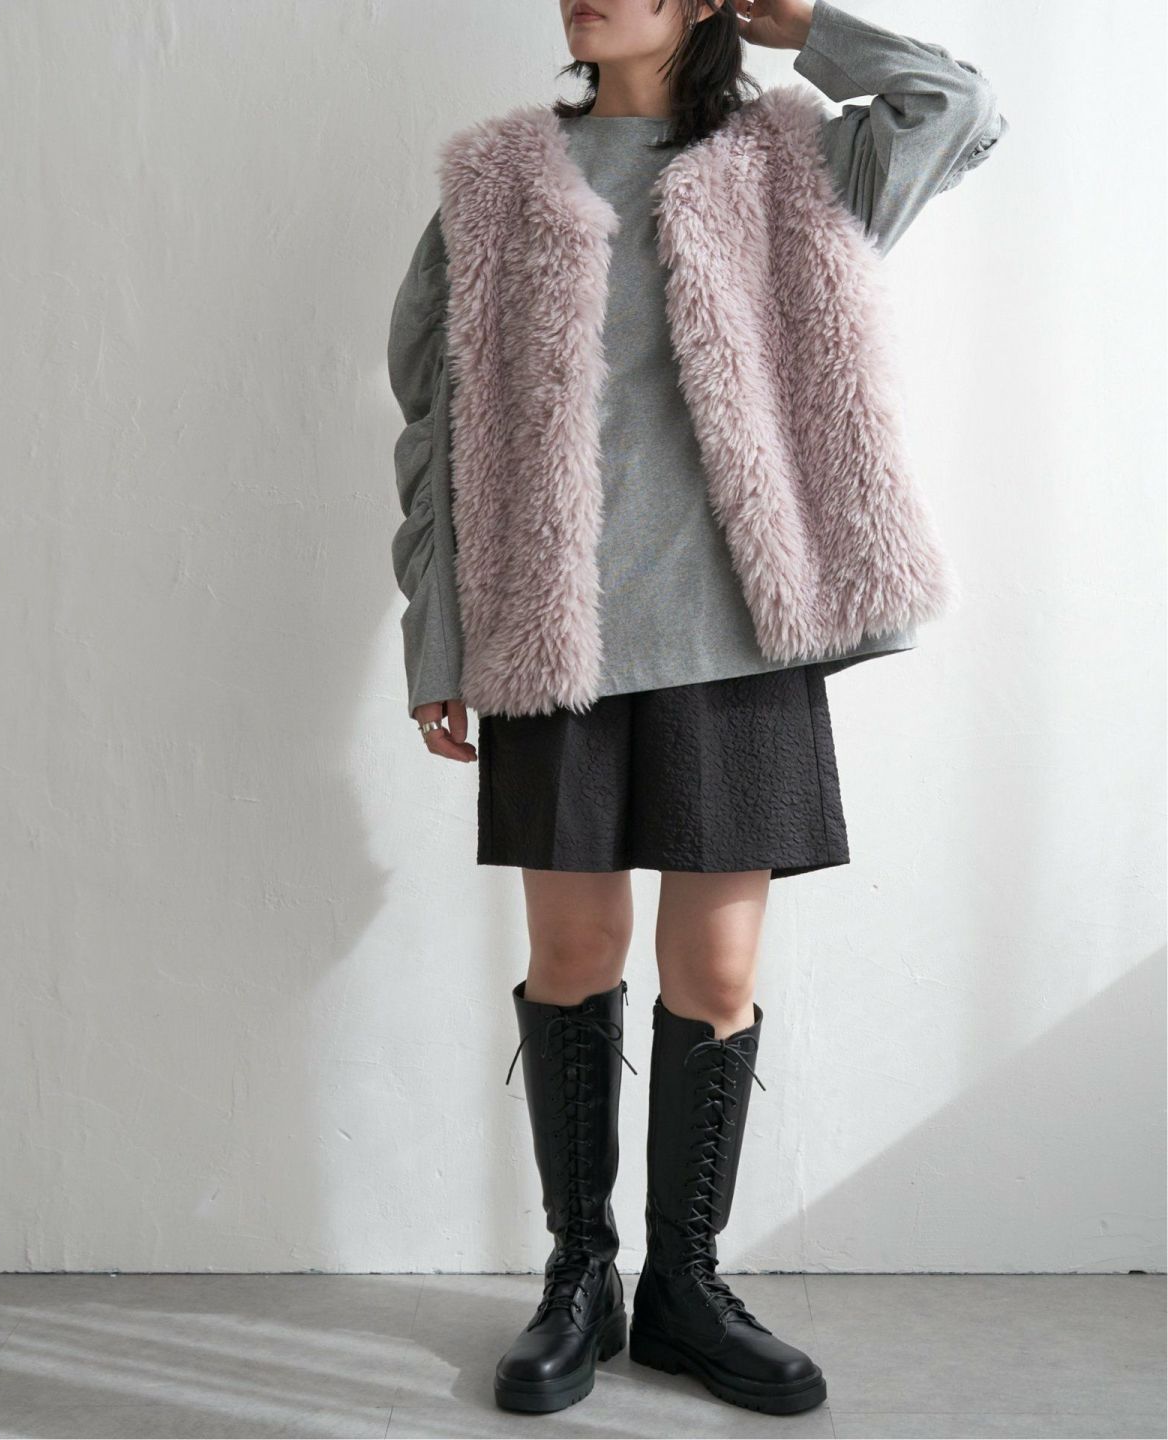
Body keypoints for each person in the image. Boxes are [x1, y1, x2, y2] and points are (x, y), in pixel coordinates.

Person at [387, 0, 1007, 1417]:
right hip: (555, 637)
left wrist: (806, 22)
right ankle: (579, 1278)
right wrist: (438, 638)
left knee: (715, 980)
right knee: (571, 959)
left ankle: (686, 1286)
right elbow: (432, 430)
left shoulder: (797, 162)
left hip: (741, 640)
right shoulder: (494, 188)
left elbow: (958, 108)